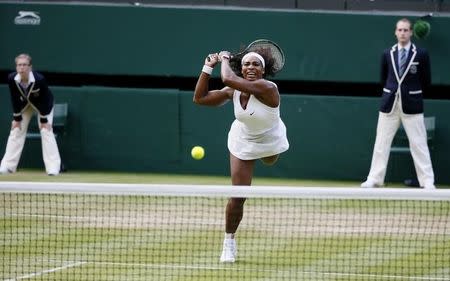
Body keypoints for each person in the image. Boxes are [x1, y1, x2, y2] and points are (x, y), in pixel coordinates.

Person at [193, 49, 289, 263]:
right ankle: (229, 244)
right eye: (247, 64)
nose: (251, 68)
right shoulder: (232, 90)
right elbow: (200, 98)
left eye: (256, 64)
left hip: (270, 140)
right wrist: (207, 67)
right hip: (243, 139)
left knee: (270, 160)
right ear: (242, 68)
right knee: (238, 196)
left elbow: (227, 76)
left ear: (263, 70)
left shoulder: (268, 88)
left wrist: (224, 58)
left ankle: (268, 156)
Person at [361, 18, 435, 189]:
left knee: (419, 144)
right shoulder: (388, 53)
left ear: (411, 32)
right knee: (381, 143)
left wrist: (411, 93)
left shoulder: (421, 54)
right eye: (400, 30)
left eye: (406, 30)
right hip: (389, 105)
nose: (402, 33)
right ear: (395, 32)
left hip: (413, 106)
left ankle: (427, 181)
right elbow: (383, 78)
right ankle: (374, 178)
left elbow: (426, 80)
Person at [0, 53, 61, 176]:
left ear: (30, 67)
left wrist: (44, 120)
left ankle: (53, 168)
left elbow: (46, 101)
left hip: (44, 106)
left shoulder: (40, 80)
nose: (22, 67)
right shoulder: (12, 78)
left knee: (46, 131)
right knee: (16, 130)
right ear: (16, 67)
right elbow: (14, 98)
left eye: (24, 65)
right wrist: (16, 118)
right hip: (24, 105)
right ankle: (7, 166)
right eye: (19, 65)